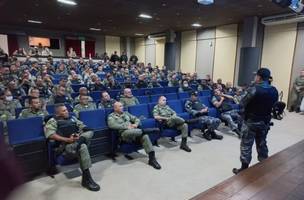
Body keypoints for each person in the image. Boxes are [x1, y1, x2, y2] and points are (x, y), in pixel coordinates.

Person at [232, 68, 278, 174]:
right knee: (262, 143)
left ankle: (244, 168)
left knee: (246, 145)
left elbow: (241, 102)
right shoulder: (274, 90)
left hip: (251, 122)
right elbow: (274, 104)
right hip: (265, 122)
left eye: (256, 76)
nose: (254, 77)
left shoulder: (254, 89)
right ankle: (264, 165)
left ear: (259, 77)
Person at [44, 104, 100, 191]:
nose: (67, 112)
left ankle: (80, 141)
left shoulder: (72, 118)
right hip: (65, 146)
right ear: (58, 113)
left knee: (90, 131)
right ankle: (87, 179)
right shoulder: (53, 121)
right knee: (83, 147)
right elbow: (50, 135)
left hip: (76, 140)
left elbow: (83, 127)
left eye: (66, 110)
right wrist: (67, 140)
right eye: (64, 111)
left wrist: (79, 134)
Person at [107, 102, 161, 170]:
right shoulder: (111, 116)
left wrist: (135, 124)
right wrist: (126, 127)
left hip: (135, 132)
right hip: (124, 134)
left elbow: (136, 119)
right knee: (131, 132)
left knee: (145, 136)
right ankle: (146, 130)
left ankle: (152, 159)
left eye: (122, 106)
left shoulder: (126, 113)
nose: (122, 107)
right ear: (115, 108)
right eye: (120, 106)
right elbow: (112, 125)